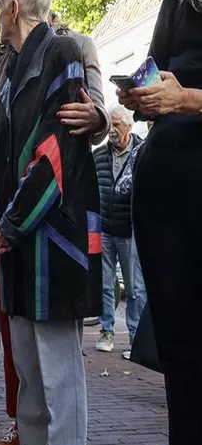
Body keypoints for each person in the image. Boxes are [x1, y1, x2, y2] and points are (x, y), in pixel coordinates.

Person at [0, 0, 102, 445]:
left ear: (10, 6)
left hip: (52, 239)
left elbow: (56, 152)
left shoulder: (63, 50)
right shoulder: (8, 72)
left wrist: (7, 226)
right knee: (28, 364)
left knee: (57, 368)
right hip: (20, 239)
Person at [118, 0, 202, 445]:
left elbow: (182, 91)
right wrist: (143, 93)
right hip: (165, 184)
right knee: (179, 343)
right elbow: (158, 70)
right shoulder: (179, 1)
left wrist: (188, 99)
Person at [93, 105, 144, 353]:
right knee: (104, 284)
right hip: (105, 228)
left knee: (134, 288)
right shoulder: (100, 155)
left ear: (129, 126)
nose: (112, 130)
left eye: (117, 125)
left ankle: (136, 339)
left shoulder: (142, 152)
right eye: (110, 125)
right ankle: (107, 332)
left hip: (130, 231)